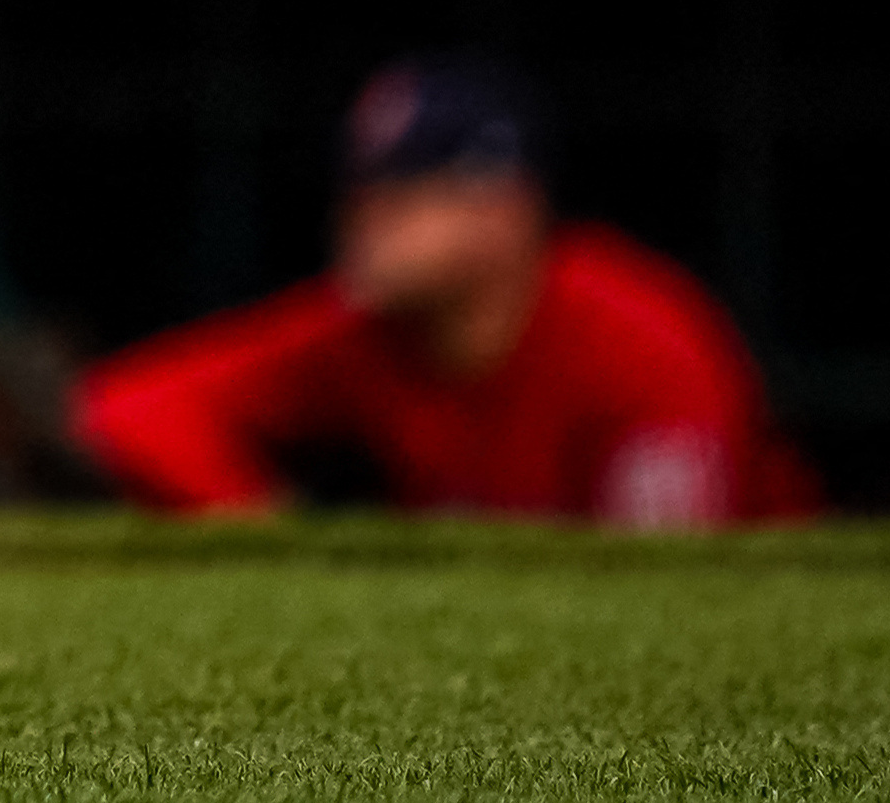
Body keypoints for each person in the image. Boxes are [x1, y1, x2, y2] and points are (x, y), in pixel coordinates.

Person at [78, 57, 802, 522]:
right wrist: (267, 532)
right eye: (358, 198)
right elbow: (128, 406)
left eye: (402, 198)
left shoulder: (639, 336)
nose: (364, 226)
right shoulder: (368, 328)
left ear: (505, 210)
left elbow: (678, 578)